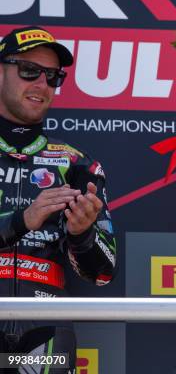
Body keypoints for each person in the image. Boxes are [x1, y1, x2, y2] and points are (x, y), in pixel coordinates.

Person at [0, 26, 117, 373]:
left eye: (52, 77)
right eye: (29, 71)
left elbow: (103, 272)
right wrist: (22, 221)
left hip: (44, 328)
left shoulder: (78, 166)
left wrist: (82, 236)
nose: (41, 84)